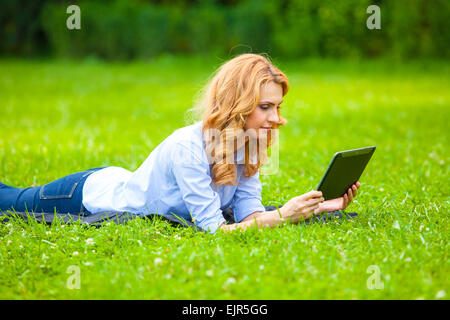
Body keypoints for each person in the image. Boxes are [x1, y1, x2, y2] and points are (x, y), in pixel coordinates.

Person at [0, 53, 360, 234]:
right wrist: (282, 215)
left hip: (114, 179)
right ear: (238, 104)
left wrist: (317, 209)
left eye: (277, 107)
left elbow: (250, 215)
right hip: (83, 194)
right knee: (10, 200)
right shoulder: (188, 147)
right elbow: (216, 231)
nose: (275, 117)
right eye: (265, 107)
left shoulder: (249, 144)